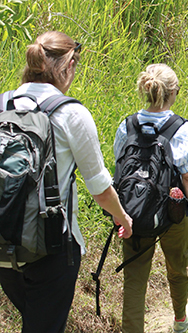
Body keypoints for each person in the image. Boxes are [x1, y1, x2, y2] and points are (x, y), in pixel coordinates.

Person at [0, 31, 133, 333]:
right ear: (70, 63)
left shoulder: (2, 103)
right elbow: (99, 187)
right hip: (52, 244)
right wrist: (122, 216)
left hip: (4, 239)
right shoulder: (70, 113)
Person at [114, 64, 188, 332]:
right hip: (173, 212)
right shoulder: (181, 128)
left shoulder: (127, 125)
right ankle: (180, 318)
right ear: (173, 93)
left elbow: (120, 170)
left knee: (134, 280)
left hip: (133, 213)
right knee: (177, 268)